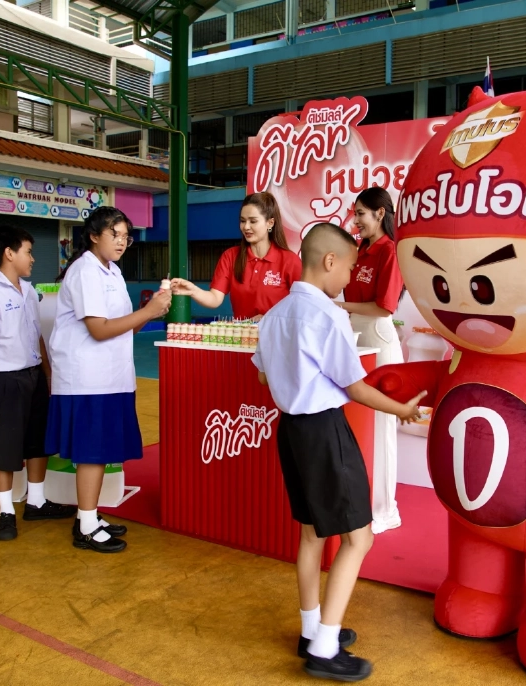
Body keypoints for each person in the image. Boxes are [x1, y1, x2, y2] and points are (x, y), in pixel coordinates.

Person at [252, 223, 425, 681]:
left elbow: (264, 378)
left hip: (291, 430)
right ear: (330, 261)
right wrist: (403, 410)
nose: (350, 277)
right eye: (349, 266)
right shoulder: (326, 316)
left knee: (312, 534)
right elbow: (356, 387)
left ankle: (312, 630)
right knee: (358, 538)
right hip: (325, 432)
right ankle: (325, 648)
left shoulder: (276, 314)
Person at [47, 207, 170, 553]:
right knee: (91, 451)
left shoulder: (112, 271)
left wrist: (153, 310)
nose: (121, 242)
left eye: (126, 236)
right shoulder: (86, 270)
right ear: (94, 235)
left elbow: (126, 323)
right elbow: (98, 329)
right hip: (87, 377)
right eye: (114, 234)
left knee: (99, 450)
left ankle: (90, 516)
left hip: (111, 376)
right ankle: (85, 525)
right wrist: (147, 311)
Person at [0, 225, 76, 541]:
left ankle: (36, 500)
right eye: (28, 251)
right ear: (9, 253)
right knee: (3, 447)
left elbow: (36, 337)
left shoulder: (29, 291)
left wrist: (46, 374)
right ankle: (6, 512)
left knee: (36, 442)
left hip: (32, 377)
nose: (32, 258)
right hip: (3, 381)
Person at [337, 187, 406, 533]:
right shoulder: (360, 250)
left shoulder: (390, 251)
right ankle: (361, 501)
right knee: (357, 426)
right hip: (354, 340)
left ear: (381, 214)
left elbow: (385, 307)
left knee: (382, 429)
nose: (356, 220)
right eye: (355, 213)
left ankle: (385, 509)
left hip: (379, 343)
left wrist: (343, 307)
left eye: (361, 213)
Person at [170, 192, 300, 321]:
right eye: (243, 221)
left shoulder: (289, 260)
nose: (246, 227)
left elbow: (302, 305)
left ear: (270, 223)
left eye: (253, 221)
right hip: (241, 337)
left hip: (278, 338)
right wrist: (193, 290)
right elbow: (215, 299)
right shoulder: (230, 256)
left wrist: (269, 318)